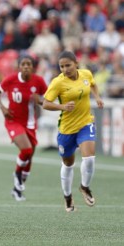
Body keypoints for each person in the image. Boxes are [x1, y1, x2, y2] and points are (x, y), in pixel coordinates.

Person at [42, 51, 104, 212]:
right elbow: (45, 103)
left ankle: (85, 187)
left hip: (85, 123)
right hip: (67, 129)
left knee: (89, 158)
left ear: (76, 63)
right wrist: (62, 106)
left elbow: (93, 84)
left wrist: (97, 97)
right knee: (68, 165)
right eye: (61, 66)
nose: (65, 69)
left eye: (68, 65)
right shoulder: (58, 83)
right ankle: (68, 197)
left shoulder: (86, 74)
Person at [0, 55, 47, 201]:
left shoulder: (39, 81)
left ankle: (17, 189)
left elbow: (47, 100)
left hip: (30, 123)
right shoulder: (11, 79)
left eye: (29, 64)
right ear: (19, 66)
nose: (26, 66)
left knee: (29, 157)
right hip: (13, 121)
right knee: (27, 150)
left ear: (33, 67)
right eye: (23, 64)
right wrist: (2, 107)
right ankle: (17, 174)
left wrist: (40, 101)